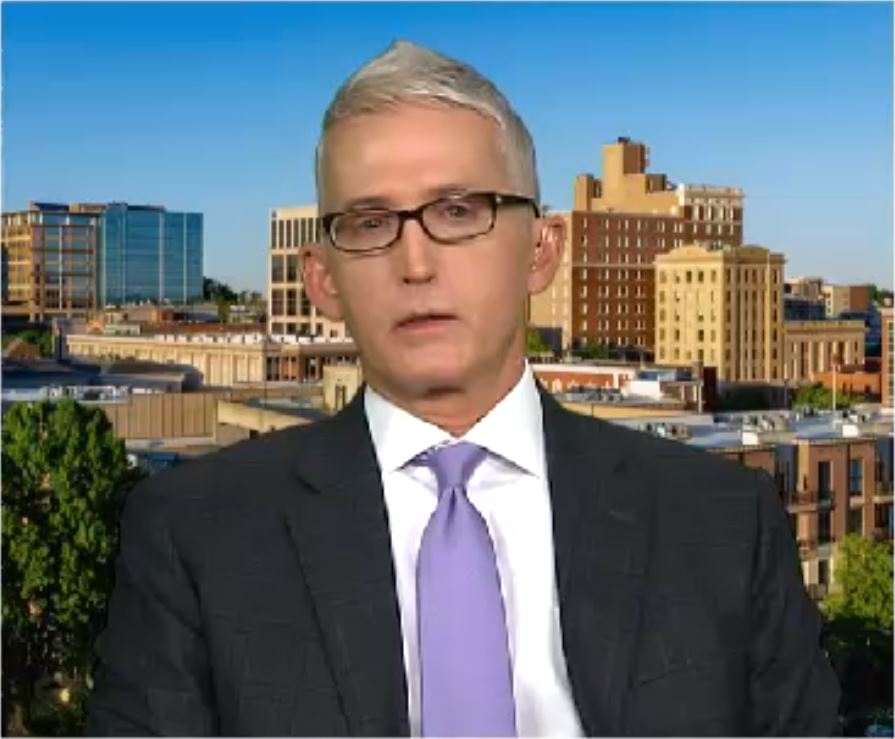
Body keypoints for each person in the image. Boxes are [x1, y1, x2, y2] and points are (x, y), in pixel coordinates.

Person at [87, 40, 840, 736]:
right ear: (323, 278)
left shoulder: (721, 522)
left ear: (541, 250)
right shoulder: (194, 536)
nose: (415, 263)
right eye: (370, 222)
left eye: (458, 211)